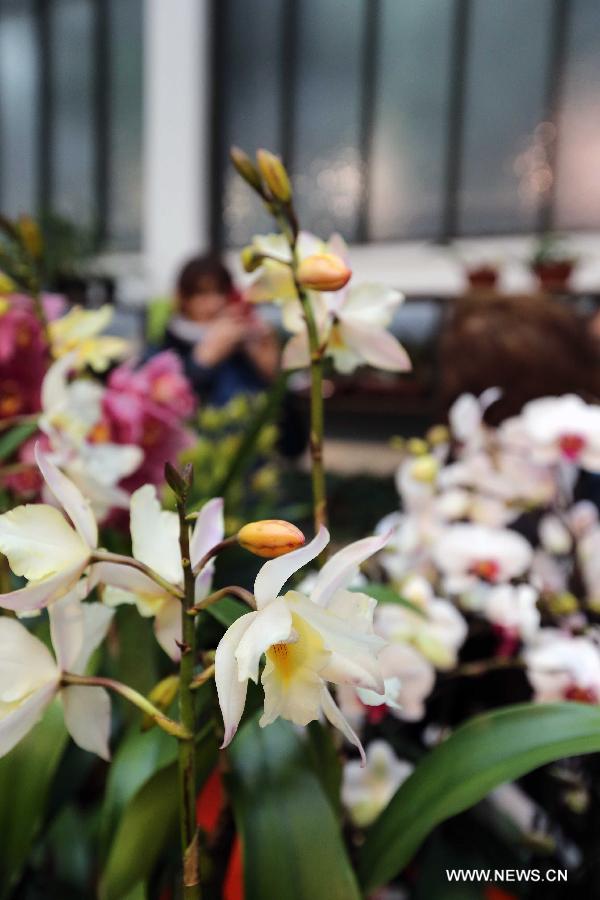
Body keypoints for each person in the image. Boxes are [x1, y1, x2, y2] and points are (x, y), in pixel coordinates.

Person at [163, 254, 280, 407]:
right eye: (201, 294)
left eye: (220, 292)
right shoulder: (166, 349)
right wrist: (201, 362)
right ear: (183, 298)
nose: (213, 304)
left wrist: (266, 361)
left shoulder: (244, 340)